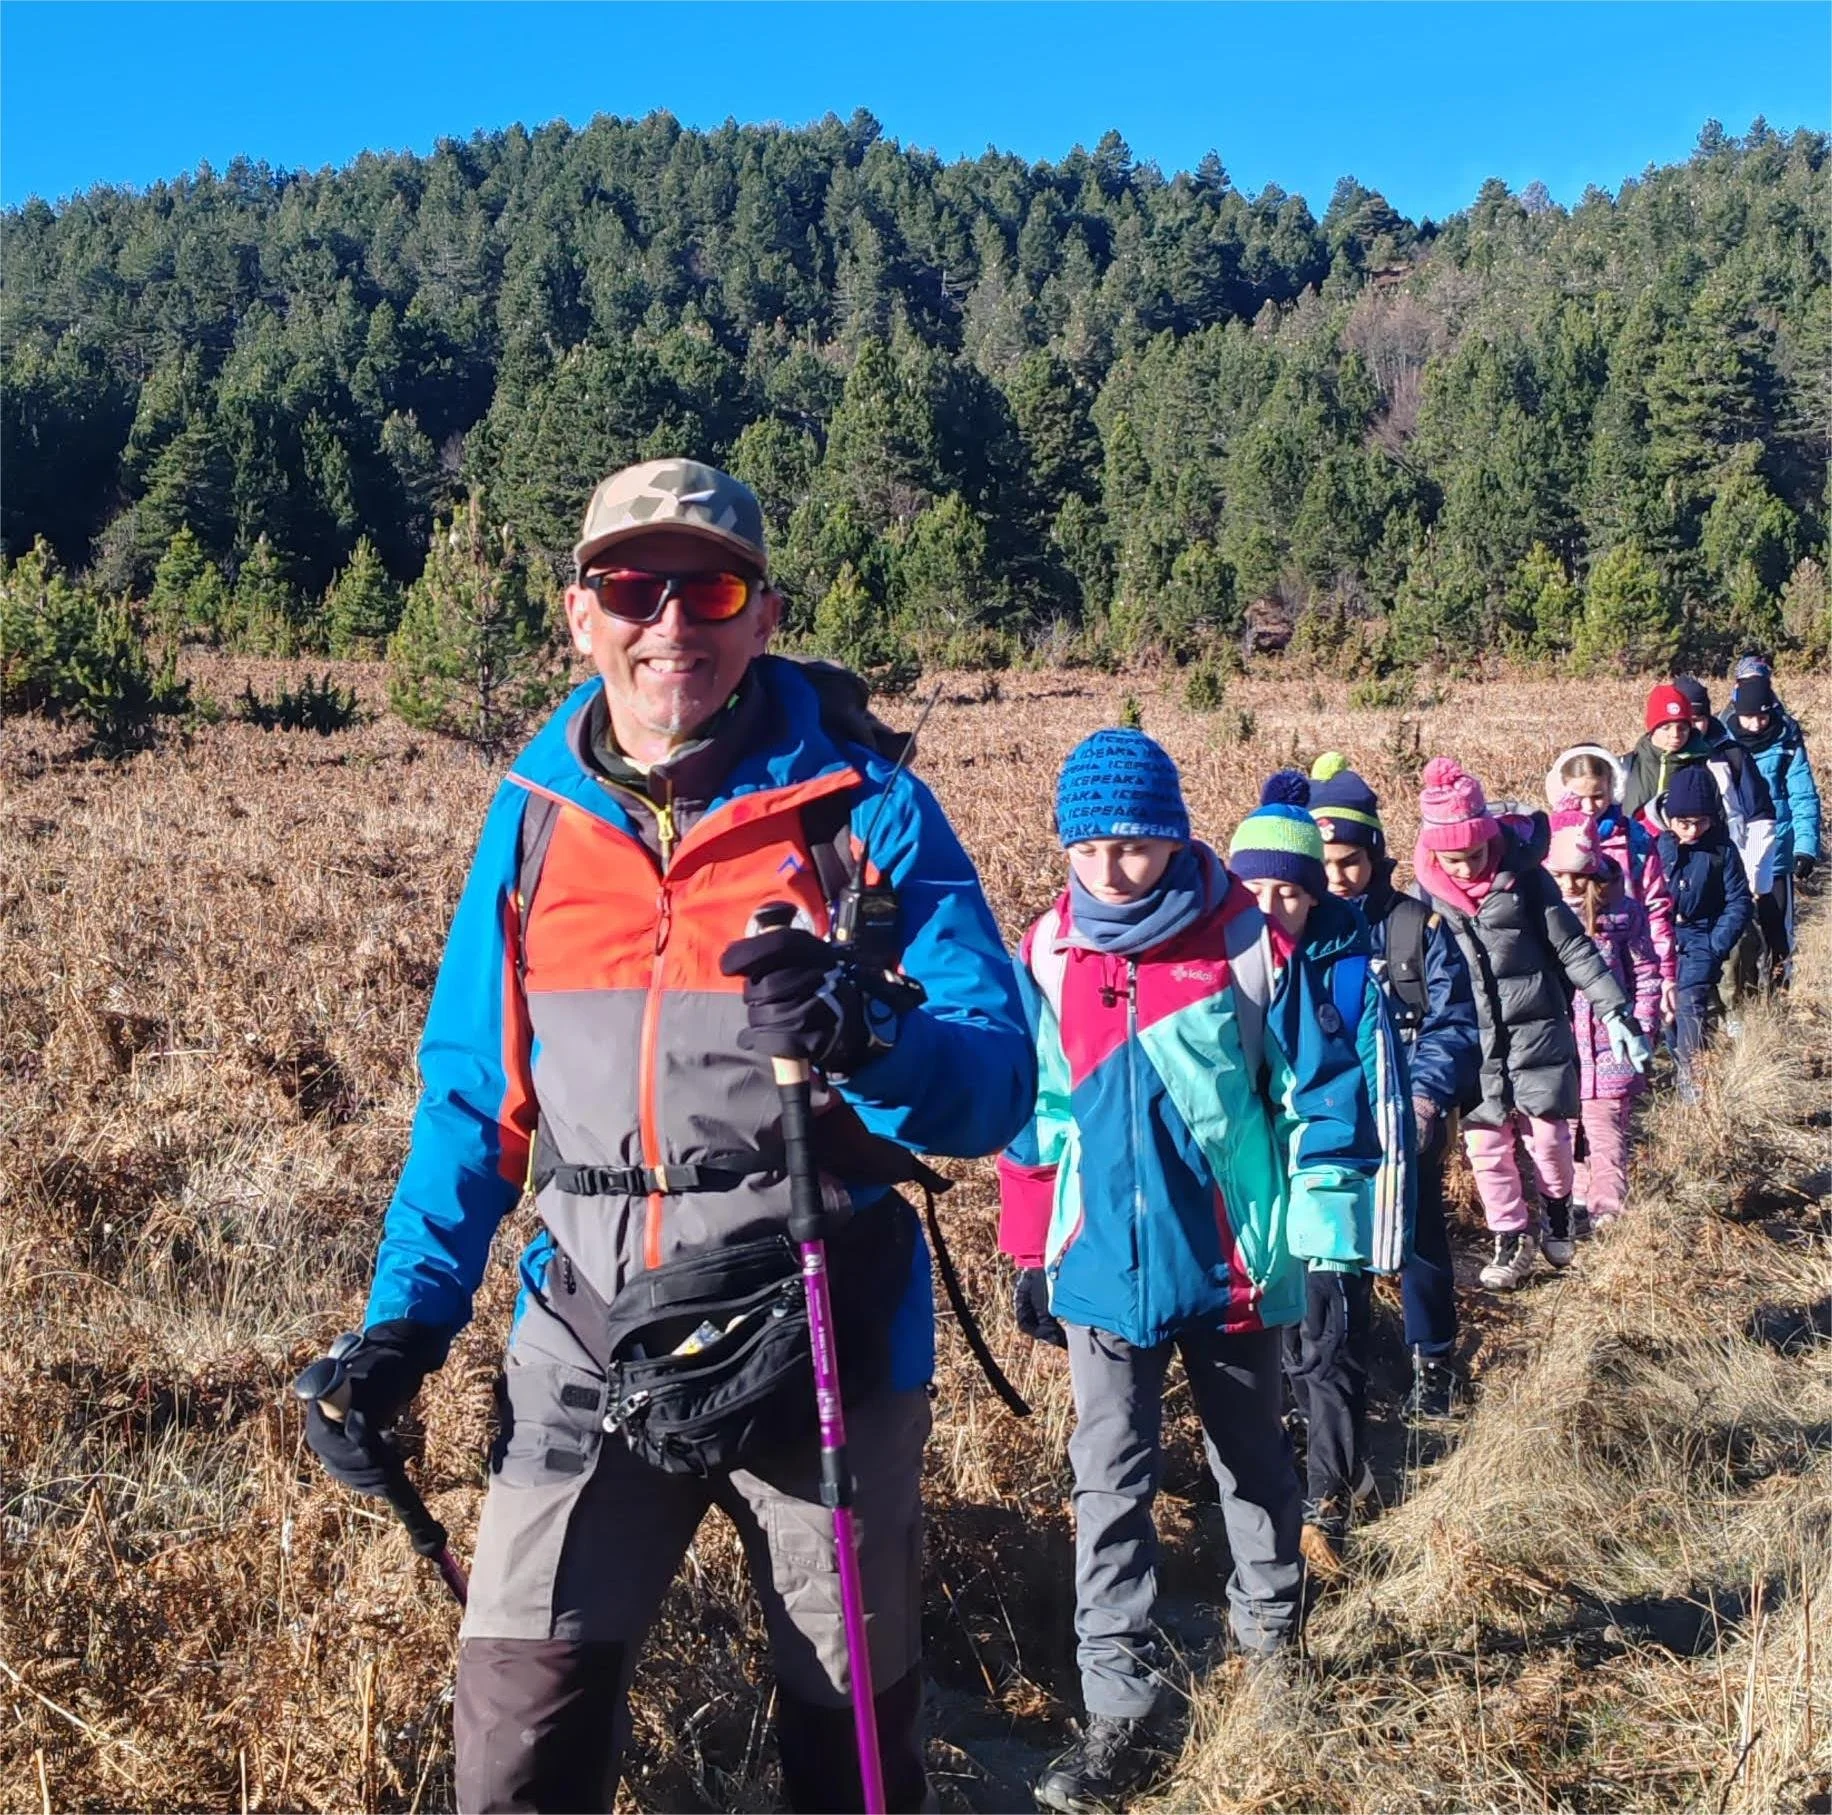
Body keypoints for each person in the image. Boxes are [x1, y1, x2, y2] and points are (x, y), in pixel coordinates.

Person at [303, 458, 1036, 1814]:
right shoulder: (533, 817)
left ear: (762, 615)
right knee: (517, 1727)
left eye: (712, 586)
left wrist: (873, 1035)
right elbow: (474, 1100)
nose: (671, 624)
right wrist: (405, 1325)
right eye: (632, 587)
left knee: (850, 1740)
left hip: (820, 1315)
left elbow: (996, 1086)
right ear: (578, 612)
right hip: (588, 1322)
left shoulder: (865, 812)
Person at [997, 733, 1400, 1814]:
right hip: (1098, 1274)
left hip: (1230, 1268)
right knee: (1108, 1488)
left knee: (1253, 1470)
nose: (1108, 870)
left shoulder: (1245, 945)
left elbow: (1318, 1094)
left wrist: (1316, 1241)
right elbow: (1033, 1111)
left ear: (1172, 836)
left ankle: (1273, 1660)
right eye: (1087, 848)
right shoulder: (1047, 951)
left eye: (1130, 845)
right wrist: (1032, 1245)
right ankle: (1118, 1711)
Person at [1227, 771, 1415, 1577]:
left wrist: (1378, 1225)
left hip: (1333, 1192)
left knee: (1328, 1351)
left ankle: (1328, 1503)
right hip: (1248, 1201)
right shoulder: (1215, 967)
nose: (1273, 908)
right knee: (1271, 1357)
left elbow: (1385, 1100)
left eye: (1291, 893)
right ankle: (1296, 1487)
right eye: (1255, 890)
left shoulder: (1350, 970)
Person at [1410, 757, 1650, 1293]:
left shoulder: (1526, 883)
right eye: (1454, 859)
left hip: (1537, 1031)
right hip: (1475, 1046)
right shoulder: (1424, 902)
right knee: (1486, 1149)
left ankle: (1558, 1209)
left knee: (1549, 1139)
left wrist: (1614, 1009)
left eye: (1475, 854)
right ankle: (1510, 1238)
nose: (1468, 868)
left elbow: (1573, 948)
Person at [1310, 754, 1481, 1419]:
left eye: (1349, 861)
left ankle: (1433, 1361)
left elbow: (1453, 1020)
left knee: (1419, 1238)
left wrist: (1426, 1095)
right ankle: (1333, 1372)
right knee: (1330, 1246)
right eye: (1324, 864)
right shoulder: (1303, 931)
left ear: (1375, 853)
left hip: (1409, 1115)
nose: (1337, 877)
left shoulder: (1419, 928)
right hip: (1329, 1118)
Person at [1543, 823, 1662, 1233]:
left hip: (1612, 1049)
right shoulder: (1540, 919)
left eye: (1578, 875)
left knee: (1606, 1130)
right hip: (1562, 1051)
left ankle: (1608, 1209)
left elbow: (1645, 973)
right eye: (1560, 876)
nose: (1570, 884)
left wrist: (1642, 1024)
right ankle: (1576, 1203)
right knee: (1565, 1133)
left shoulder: (1623, 914)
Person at [1543, 745, 1677, 1032]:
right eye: (1579, 799)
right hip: (1564, 973)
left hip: (1626, 965)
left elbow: (1656, 907)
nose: (1590, 807)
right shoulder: (1549, 840)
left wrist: (1665, 972)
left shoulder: (1635, 839)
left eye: (1598, 796)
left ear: (1613, 789)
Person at [1657, 764, 1754, 1094]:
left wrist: (1716, 944)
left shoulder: (1722, 851)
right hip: (1661, 939)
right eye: (1684, 822)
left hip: (1702, 938)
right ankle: (1677, 1062)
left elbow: (1739, 901)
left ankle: (1692, 1080)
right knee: (1667, 1009)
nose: (1693, 830)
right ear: (1670, 819)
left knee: (1691, 1003)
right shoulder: (1658, 848)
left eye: (1701, 821)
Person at [1725, 667, 1820, 990]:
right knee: (1741, 936)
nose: (1756, 724)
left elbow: (1803, 794)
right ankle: (1747, 1000)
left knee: (1778, 933)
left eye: (1762, 717)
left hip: (1777, 855)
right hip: (1736, 857)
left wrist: (1805, 847)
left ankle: (1779, 996)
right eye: (1749, 717)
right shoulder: (1721, 743)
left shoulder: (1787, 741)